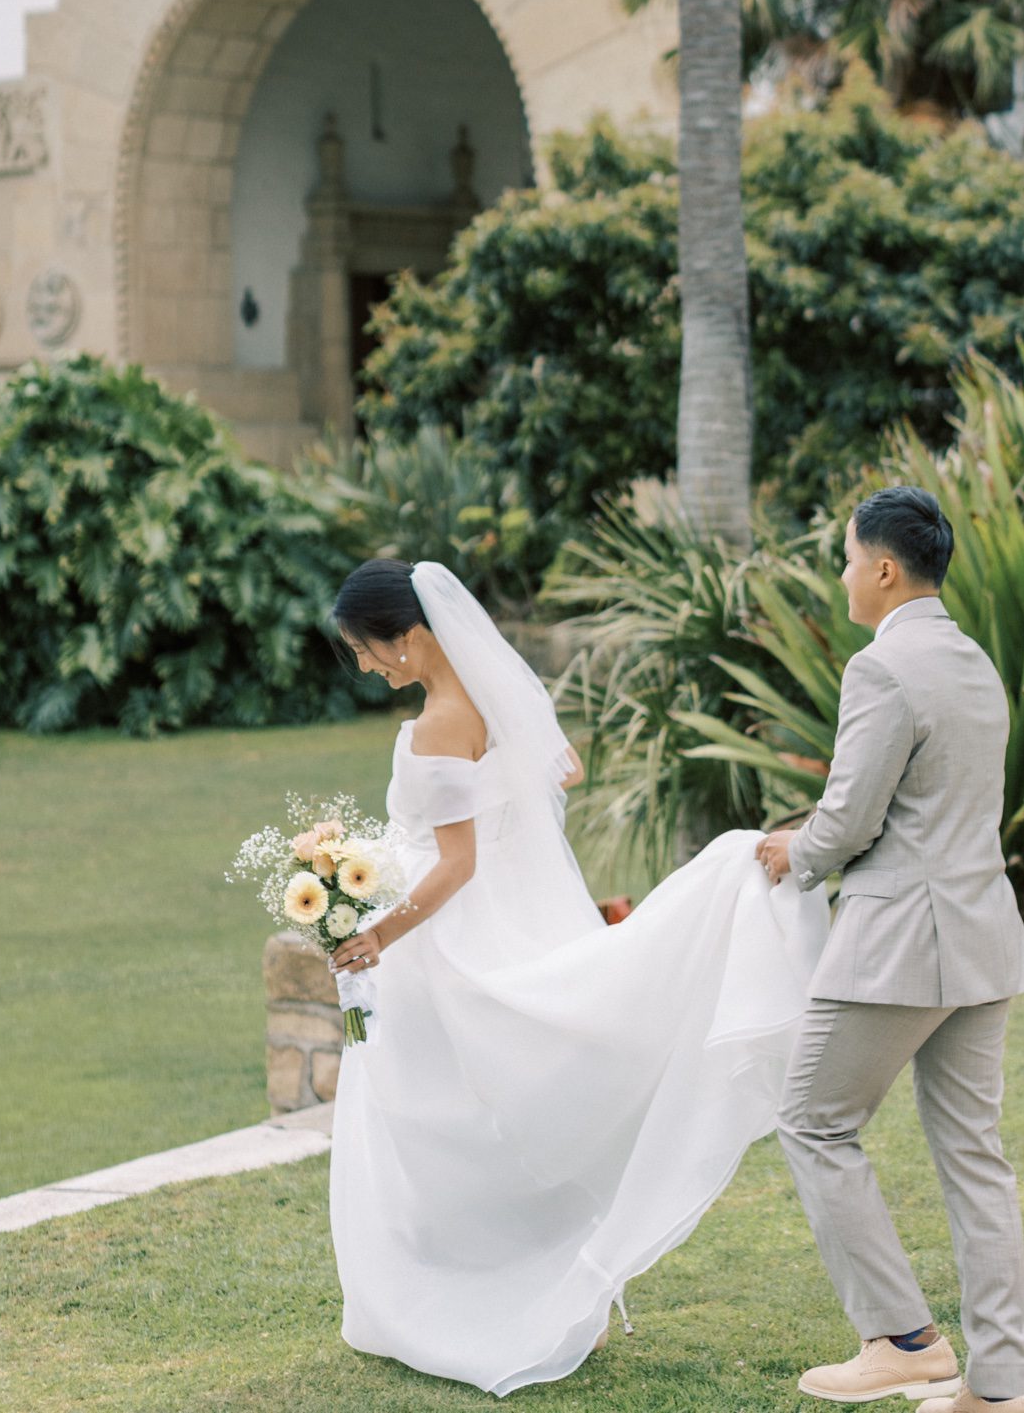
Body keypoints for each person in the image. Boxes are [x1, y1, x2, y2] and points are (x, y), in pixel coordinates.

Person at [325, 556, 829, 1397]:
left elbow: (454, 864)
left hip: (444, 943)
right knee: (488, 1110)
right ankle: (549, 1281)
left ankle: (477, 1292)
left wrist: (375, 933)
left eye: (369, 651)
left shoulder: (438, 723)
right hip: (509, 917)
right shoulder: (491, 701)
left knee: (441, 1122)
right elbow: (560, 773)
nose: (367, 667)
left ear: (409, 635)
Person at [756, 485, 1024, 1413]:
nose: (843, 575)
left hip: (898, 943)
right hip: (981, 937)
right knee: (975, 1156)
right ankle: (997, 1388)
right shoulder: (973, 660)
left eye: (847, 558)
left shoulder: (880, 669)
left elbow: (849, 817)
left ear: (883, 568)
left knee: (811, 1118)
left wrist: (791, 849)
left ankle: (904, 1338)